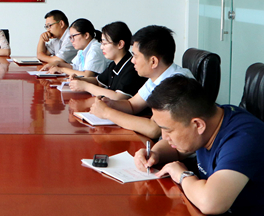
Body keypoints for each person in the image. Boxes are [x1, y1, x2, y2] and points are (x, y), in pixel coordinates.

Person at [134, 75, 264, 215]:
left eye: (168, 130)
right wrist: (155, 154)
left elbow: (210, 203)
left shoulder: (243, 140)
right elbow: (178, 149)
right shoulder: (212, 118)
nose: (164, 137)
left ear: (198, 125)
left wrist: (182, 175)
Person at [89, 25, 193, 139]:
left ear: (153, 61)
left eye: (135, 56)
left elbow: (153, 129)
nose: (132, 60)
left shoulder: (176, 82)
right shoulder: (157, 76)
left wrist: (106, 112)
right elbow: (132, 105)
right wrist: (110, 103)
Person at [69, 21, 146, 100]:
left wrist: (86, 86)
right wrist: (80, 79)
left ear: (120, 44)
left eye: (105, 43)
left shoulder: (132, 68)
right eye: (102, 43)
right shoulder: (114, 64)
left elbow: (118, 97)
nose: (101, 47)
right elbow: (98, 81)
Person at [40, 18, 110, 77]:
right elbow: (75, 67)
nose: (71, 41)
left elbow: (87, 75)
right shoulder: (82, 49)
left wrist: (62, 69)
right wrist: (58, 63)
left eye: (74, 36)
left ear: (86, 35)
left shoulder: (95, 49)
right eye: (70, 37)